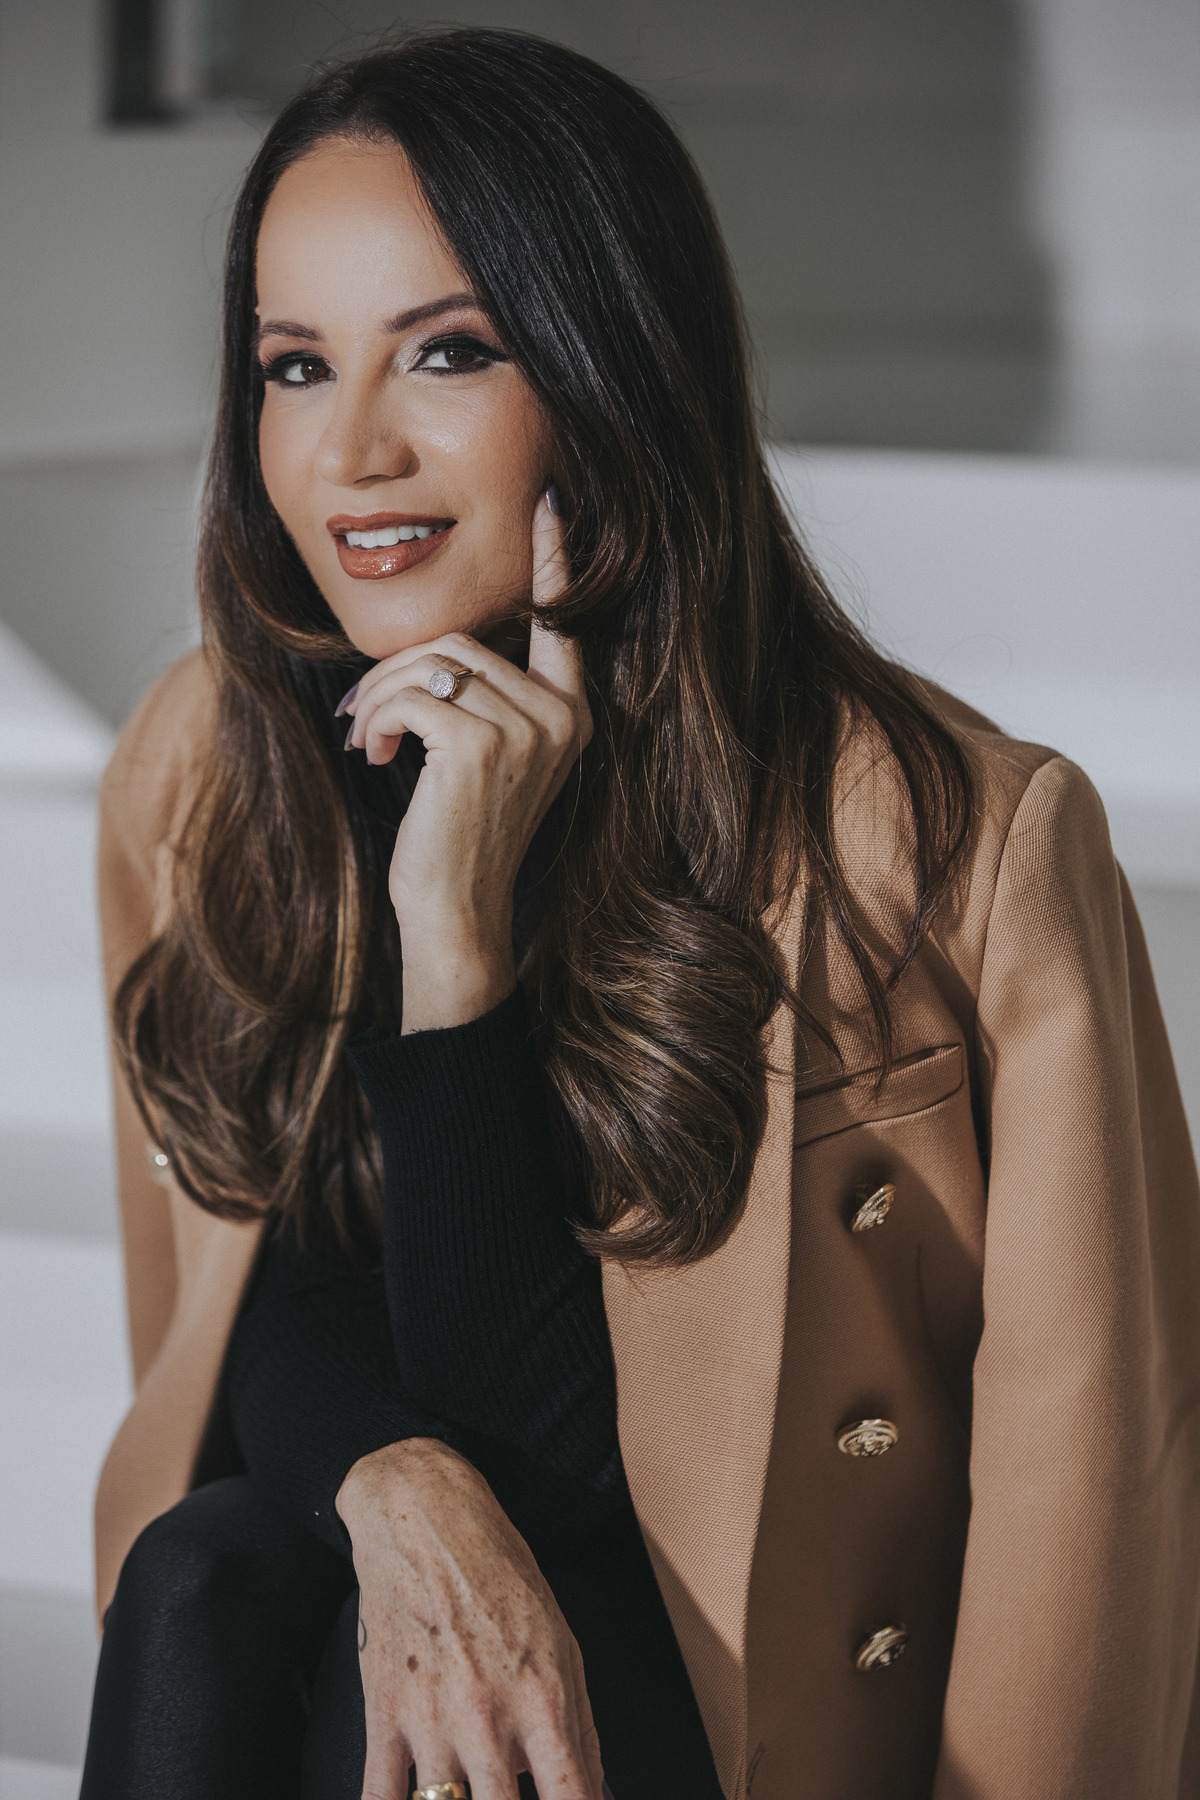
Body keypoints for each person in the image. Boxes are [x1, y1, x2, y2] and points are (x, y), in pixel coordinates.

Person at [78, 26, 1200, 1800]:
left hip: (742, 1708)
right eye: (294, 366)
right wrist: (397, 1484)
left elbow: (1097, 1474)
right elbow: (271, 1313)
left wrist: (459, 950)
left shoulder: (956, 848)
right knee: (204, 1578)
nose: (351, 451)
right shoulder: (214, 768)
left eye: (448, 352)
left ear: (611, 370)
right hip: (440, 1645)